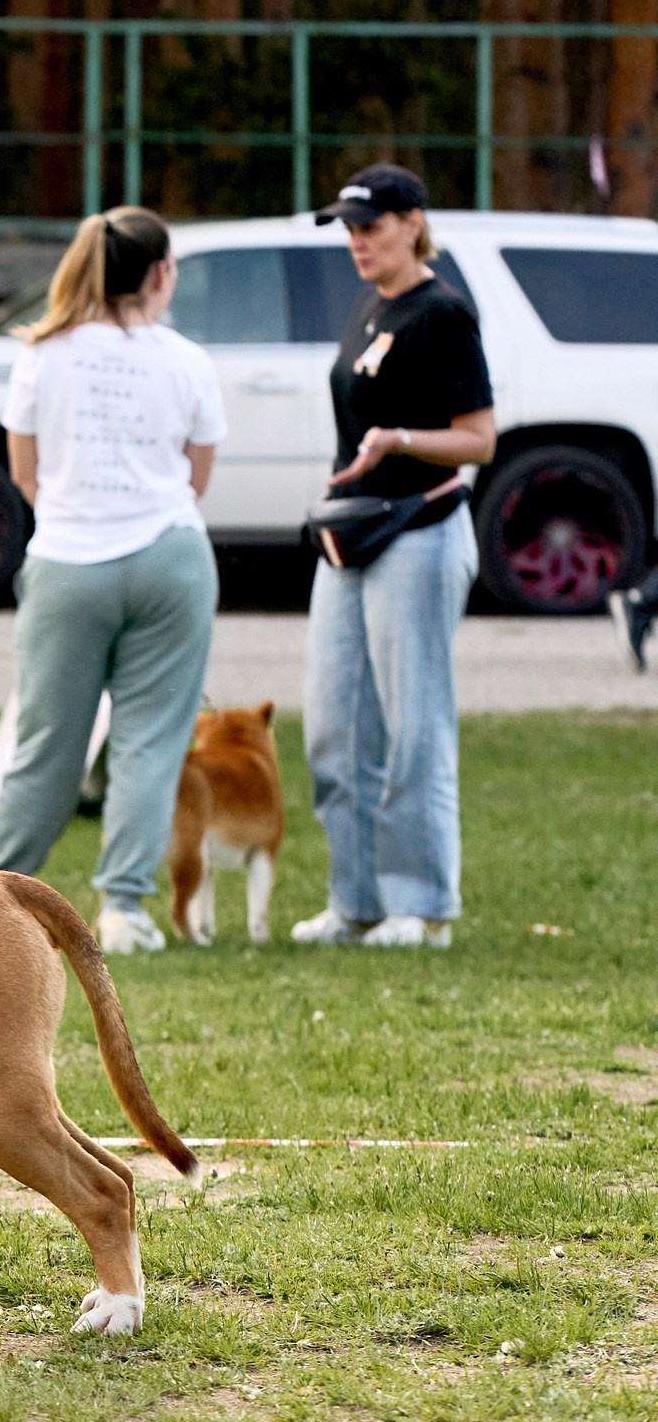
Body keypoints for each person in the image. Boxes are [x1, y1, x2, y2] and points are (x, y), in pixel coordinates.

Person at [0, 207, 225, 955]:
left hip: (67, 560)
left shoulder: (41, 353)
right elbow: (198, 477)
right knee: (151, 741)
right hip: (169, 557)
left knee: (46, 740)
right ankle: (123, 907)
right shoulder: (186, 359)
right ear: (160, 273)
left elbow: (25, 473)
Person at [292, 164, 496, 949]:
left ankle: (423, 906)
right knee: (334, 728)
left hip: (420, 531)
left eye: (370, 226)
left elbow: (480, 439)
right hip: (352, 537)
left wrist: (399, 440)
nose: (357, 241)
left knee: (414, 726)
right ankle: (358, 902)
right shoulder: (369, 301)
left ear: (413, 223)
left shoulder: (442, 312)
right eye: (348, 229)